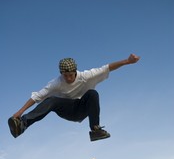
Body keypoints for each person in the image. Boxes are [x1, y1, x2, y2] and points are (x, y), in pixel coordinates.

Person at [8, 54, 140, 141]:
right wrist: (20, 112)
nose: (69, 78)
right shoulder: (56, 83)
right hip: (66, 110)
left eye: (71, 75)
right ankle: (22, 125)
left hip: (81, 109)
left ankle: (95, 130)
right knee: (51, 100)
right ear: (61, 74)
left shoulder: (86, 76)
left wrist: (127, 61)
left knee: (92, 94)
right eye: (65, 76)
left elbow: (107, 68)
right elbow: (37, 96)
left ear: (75, 71)